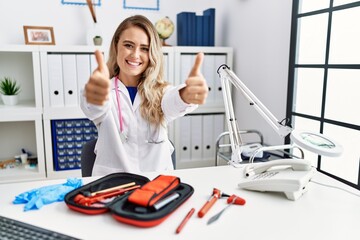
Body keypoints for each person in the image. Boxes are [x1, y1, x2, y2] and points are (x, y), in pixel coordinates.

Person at [81, 15, 208, 176]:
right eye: (128, 45)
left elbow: (173, 101)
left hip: (156, 186)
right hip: (112, 186)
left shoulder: (162, 92)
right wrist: (95, 95)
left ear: (152, 53)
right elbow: (93, 106)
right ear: (116, 46)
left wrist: (186, 95)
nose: (135, 54)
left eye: (144, 48)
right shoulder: (105, 90)